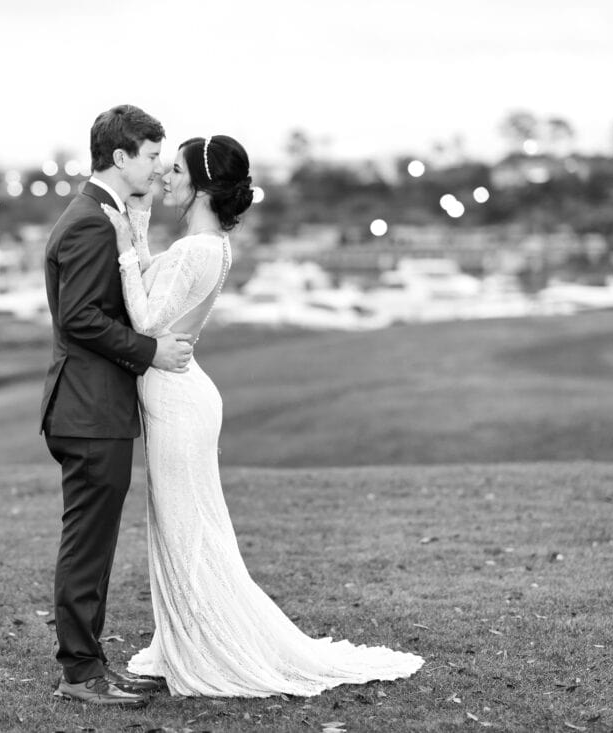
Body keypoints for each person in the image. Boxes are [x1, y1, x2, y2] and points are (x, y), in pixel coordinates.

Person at [100, 134, 424, 697]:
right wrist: (139, 226)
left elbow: (147, 317)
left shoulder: (198, 250)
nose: (164, 177)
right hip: (182, 393)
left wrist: (126, 249)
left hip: (178, 401)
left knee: (186, 530)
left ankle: (208, 646)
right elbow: (160, 287)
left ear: (200, 182)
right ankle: (185, 637)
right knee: (185, 526)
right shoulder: (207, 244)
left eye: (174, 170)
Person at [40, 104, 195, 708]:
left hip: (95, 407)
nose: (159, 167)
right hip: (86, 409)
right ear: (122, 156)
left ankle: (91, 665)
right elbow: (79, 318)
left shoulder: (109, 214)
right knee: (88, 544)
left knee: (96, 543)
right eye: (153, 156)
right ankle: (79, 674)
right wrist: (151, 351)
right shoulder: (87, 222)